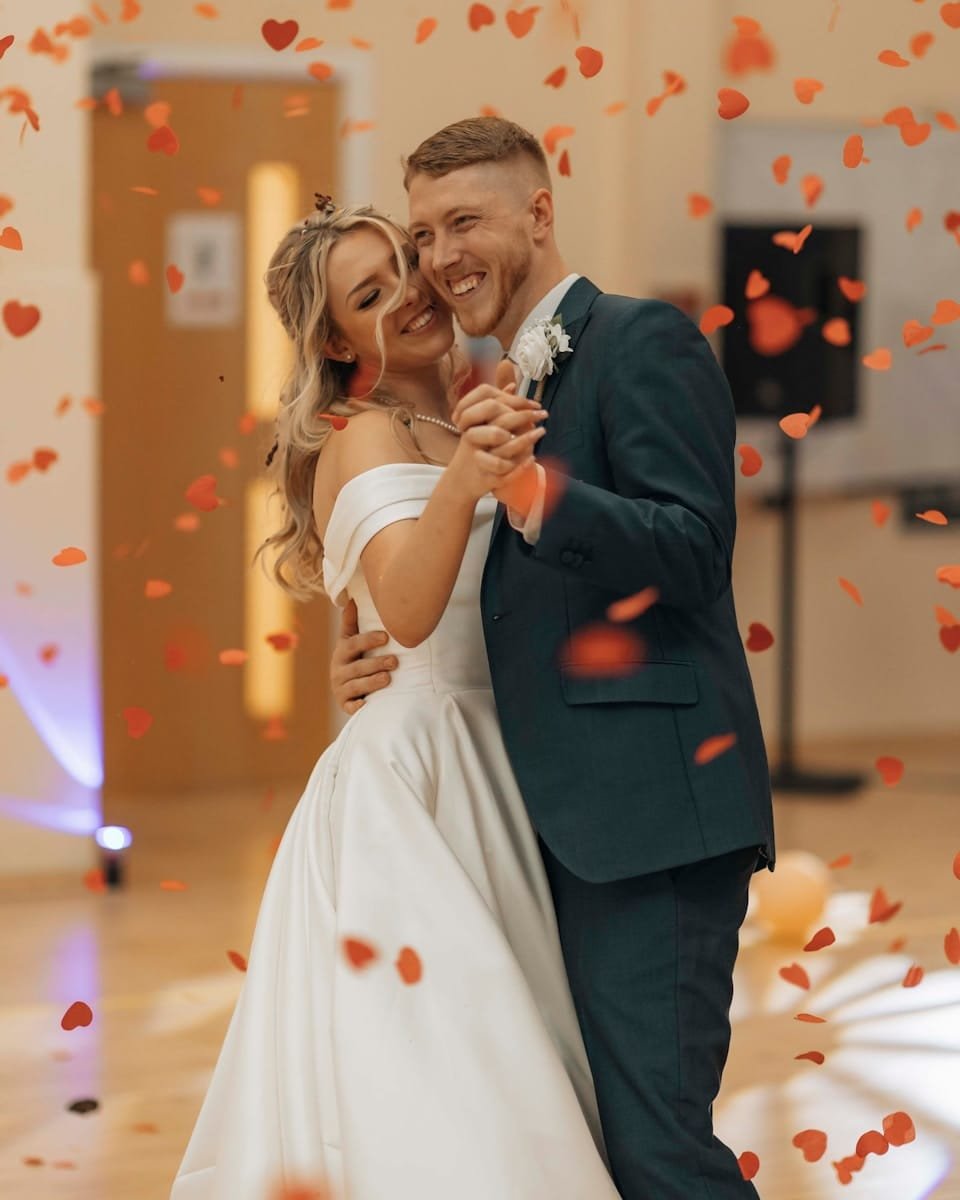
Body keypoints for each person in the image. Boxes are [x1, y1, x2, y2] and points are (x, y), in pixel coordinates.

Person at [329, 117, 777, 1200]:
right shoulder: (485, 391)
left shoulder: (641, 339)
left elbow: (694, 548)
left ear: (540, 212)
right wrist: (367, 668)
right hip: (534, 832)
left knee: (661, 1152)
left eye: (465, 221)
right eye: (426, 231)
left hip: (649, 820)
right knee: (581, 1146)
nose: (441, 257)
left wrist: (533, 496)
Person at [170, 197, 620, 1199]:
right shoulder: (363, 439)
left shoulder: (479, 398)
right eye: (370, 296)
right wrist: (466, 475)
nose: (411, 295)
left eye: (407, 267)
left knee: (530, 1035)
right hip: (419, 785)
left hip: (514, 754)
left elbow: (385, 609)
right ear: (336, 339)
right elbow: (409, 615)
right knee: (452, 1063)